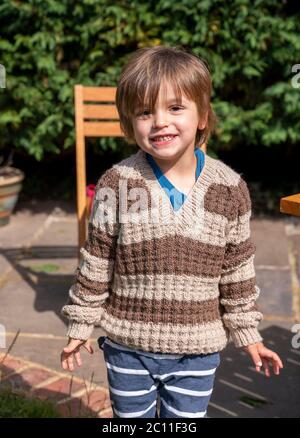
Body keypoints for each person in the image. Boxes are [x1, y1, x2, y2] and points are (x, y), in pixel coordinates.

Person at [60, 45, 283, 418]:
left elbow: (237, 272)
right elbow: (96, 263)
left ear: (202, 117)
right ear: (130, 124)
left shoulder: (227, 189)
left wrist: (249, 334)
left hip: (197, 351)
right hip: (128, 345)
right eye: (145, 112)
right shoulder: (118, 185)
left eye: (175, 108)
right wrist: (80, 324)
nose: (160, 121)